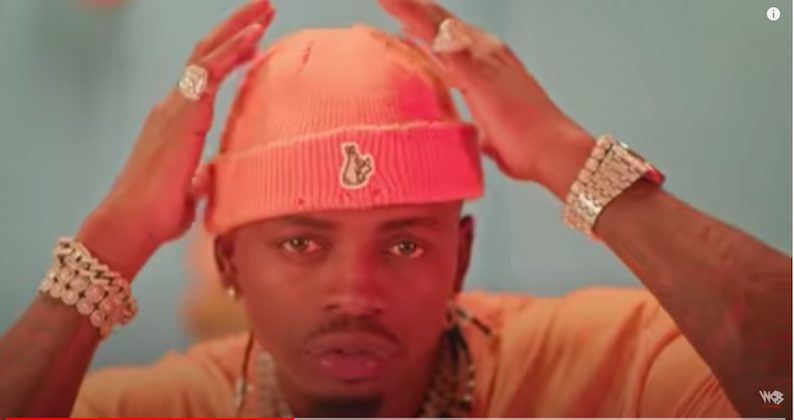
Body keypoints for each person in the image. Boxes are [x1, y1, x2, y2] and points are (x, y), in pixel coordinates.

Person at [0, 0, 790, 418]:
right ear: (231, 261)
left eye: (405, 243)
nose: (356, 292)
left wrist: (569, 158)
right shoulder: (158, 407)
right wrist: (114, 240)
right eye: (302, 243)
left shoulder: (608, 368)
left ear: (462, 256)